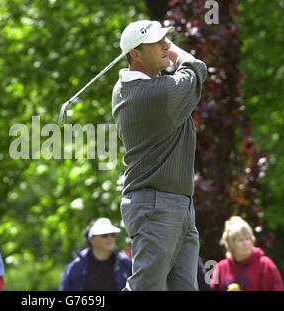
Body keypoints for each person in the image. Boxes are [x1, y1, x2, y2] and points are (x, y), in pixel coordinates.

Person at [112, 20, 207, 290]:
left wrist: (161, 47)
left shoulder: (124, 88)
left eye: (167, 39)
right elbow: (197, 67)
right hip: (157, 205)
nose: (166, 44)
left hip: (176, 204)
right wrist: (173, 50)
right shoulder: (157, 93)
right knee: (147, 287)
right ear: (136, 54)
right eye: (157, 42)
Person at [211, 216, 284, 291]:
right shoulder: (221, 267)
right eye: (241, 240)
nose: (246, 243)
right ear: (231, 244)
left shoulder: (265, 265)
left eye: (248, 239)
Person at [59, 218, 132, 291]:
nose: (110, 238)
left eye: (112, 234)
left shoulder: (125, 263)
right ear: (92, 240)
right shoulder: (75, 267)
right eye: (104, 235)